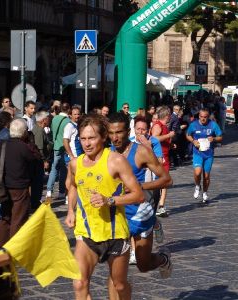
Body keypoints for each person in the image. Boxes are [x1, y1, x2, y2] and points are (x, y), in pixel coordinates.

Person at [65, 114, 144, 300]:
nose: (87, 143)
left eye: (91, 138)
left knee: (119, 284)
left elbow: (138, 195)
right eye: (83, 139)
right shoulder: (75, 164)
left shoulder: (116, 161)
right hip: (87, 232)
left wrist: (109, 200)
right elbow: (73, 186)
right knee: (79, 282)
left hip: (115, 233)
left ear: (103, 137)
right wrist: (70, 210)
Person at [108, 113, 173, 281]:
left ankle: (163, 258)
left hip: (139, 213)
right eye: (111, 133)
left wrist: (139, 186)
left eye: (119, 132)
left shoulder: (141, 152)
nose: (115, 138)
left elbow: (167, 179)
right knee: (115, 273)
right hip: (117, 213)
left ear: (128, 131)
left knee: (142, 265)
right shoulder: (107, 153)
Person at [0, 118, 40, 246]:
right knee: (18, 218)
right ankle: (14, 248)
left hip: (4, 185)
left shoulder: (2, 144)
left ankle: (2, 245)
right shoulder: (23, 147)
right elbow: (35, 160)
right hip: (19, 186)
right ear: (23, 132)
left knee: (5, 218)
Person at [186, 108, 222, 203]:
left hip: (208, 154)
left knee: (206, 176)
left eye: (205, 117)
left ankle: (205, 192)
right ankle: (197, 186)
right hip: (198, 153)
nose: (203, 119)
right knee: (197, 173)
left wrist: (214, 138)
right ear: (199, 116)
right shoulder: (193, 125)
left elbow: (220, 136)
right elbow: (188, 134)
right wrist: (193, 141)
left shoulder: (213, 125)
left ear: (208, 116)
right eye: (201, 117)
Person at [150, 106, 174, 216]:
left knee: (164, 181)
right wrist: (169, 135)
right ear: (167, 115)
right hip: (160, 157)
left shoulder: (162, 125)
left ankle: (160, 205)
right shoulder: (158, 125)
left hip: (165, 155)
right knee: (163, 181)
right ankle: (159, 205)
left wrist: (170, 144)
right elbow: (154, 139)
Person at [46, 102, 70, 200]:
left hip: (56, 147)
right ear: (68, 109)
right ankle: (61, 191)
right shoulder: (68, 121)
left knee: (54, 169)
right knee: (63, 170)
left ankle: (48, 191)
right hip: (64, 148)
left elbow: (52, 131)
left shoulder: (54, 118)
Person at [31, 111, 52, 207]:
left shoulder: (39, 129)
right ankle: (35, 202)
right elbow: (39, 148)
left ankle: (35, 200)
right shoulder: (39, 130)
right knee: (38, 182)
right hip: (38, 161)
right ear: (43, 120)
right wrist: (44, 161)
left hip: (38, 160)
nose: (49, 120)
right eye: (48, 118)